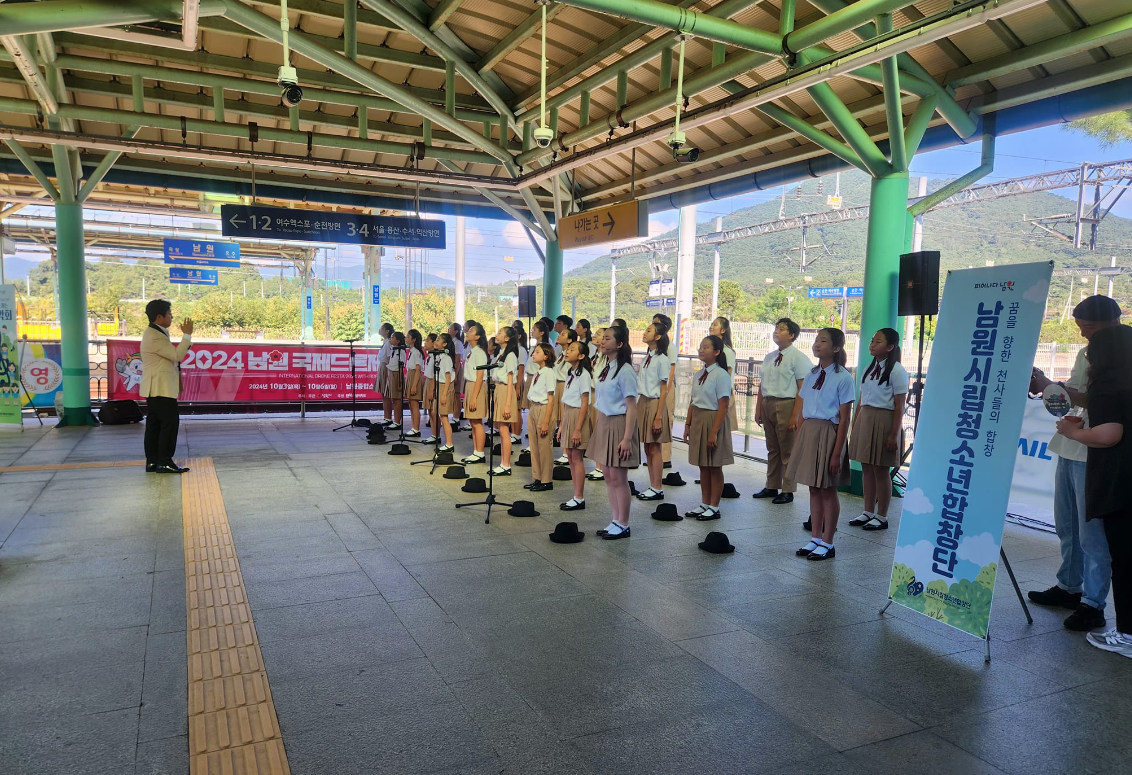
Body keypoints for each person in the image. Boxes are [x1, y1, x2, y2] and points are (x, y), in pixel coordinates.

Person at [1030, 295, 1119, 631]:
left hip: (1093, 451)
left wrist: (1052, 388)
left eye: (1089, 327)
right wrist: (1051, 388)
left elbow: (1099, 401)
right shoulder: (1086, 352)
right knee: (1066, 525)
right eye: (1080, 327)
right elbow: (1075, 399)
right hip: (1070, 444)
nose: (1083, 334)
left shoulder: (1120, 354)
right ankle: (1069, 586)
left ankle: (1093, 604)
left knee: (1092, 533)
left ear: (1113, 322)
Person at [1054, 323, 1132, 656]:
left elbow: (1109, 434)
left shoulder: (1108, 385)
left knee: (1121, 557)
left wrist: (1072, 433)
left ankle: (1125, 633)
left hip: (1117, 481)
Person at [787, 328, 855, 561]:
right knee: (813, 488)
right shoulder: (812, 374)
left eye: (823, 341)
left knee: (827, 489)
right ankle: (815, 537)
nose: (817, 344)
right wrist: (800, 439)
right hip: (809, 432)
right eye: (816, 340)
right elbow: (803, 409)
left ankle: (828, 542)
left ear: (836, 348)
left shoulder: (843, 378)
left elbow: (844, 419)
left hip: (828, 433)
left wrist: (837, 453)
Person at [847, 328, 909, 531]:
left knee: (881, 470)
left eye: (878, 342)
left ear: (890, 347)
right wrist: (856, 423)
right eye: (872, 341)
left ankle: (882, 516)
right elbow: (862, 399)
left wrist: (893, 434)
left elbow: (900, 406)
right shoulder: (868, 368)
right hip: (866, 418)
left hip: (885, 420)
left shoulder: (897, 371)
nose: (872, 344)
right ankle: (867, 511)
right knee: (866, 467)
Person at [589, 326, 641, 540]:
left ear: (619, 344)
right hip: (604, 421)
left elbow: (631, 406)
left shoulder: (625, 370)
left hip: (619, 423)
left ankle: (624, 523)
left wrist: (627, 438)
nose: (602, 341)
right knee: (609, 476)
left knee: (619, 477)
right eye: (602, 338)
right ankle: (615, 519)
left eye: (607, 338)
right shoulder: (607, 367)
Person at [752, 318, 811, 503]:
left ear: (791, 335)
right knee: (772, 448)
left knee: (788, 450)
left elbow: (803, 388)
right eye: (776, 328)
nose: (776, 331)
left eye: (782, 329)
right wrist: (758, 408)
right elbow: (762, 385)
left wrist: (795, 415)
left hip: (787, 404)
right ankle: (771, 485)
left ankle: (788, 489)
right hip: (768, 403)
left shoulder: (798, 358)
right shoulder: (769, 357)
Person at [683, 335, 735, 520]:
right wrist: (688, 424)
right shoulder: (699, 374)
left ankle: (714, 506)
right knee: (703, 465)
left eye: (706, 347)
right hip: (699, 419)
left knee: (714, 466)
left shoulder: (721, 375)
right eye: (700, 347)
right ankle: (704, 503)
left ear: (717, 352)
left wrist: (714, 432)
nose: (701, 350)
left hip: (713, 419)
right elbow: (693, 401)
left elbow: (723, 405)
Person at [140, 299, 193, 474]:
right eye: (169, 314)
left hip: (156, 387)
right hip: (160, 388)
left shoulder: (156, 332)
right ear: (159, 317)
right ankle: (164, 461)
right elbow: (176, 355)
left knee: (155, 425)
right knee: (169, 424)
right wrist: (187, 335)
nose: (171, 317)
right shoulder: (155, 336)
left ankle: (153, 461)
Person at [636, 321, 672, 501]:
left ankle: (657, 487)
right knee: (647, 446)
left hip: (654, 403)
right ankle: (652, 485)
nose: (644, 333)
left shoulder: (662, 359)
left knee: (655, 447)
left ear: (657, 337)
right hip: (643, 401)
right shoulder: (646, 358)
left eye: (648, 331)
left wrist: (658, 417)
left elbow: (663, 390)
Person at [559, 340, 594, 511]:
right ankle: (575, 495)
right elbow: (568, 401)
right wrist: (562, 425)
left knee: (577, 458)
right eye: (568, 349)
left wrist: (578, 429)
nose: (567, 351)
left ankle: (579, 497)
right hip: (569, 414)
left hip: (578, 415)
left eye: (572, 350)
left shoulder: (584, 375)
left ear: (581, 356)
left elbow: (584, 403)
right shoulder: (571, 372)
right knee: (571, 458)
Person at [522, 343, 558, 493]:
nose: (533, 354)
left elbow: (551, 399)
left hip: (544, 409)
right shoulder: (538, 372)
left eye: (537, 352)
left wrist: (545, 422)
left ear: (546, 356)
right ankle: (537, 478)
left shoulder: (549, 372)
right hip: (534, 407)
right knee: (534, 446)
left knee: (544, 447)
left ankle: (546, 480)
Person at [490, 326, 521, 477]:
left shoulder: (510, 355)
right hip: (499, 389)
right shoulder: (501, 353)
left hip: (505, 391)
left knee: (504, 430)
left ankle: (506, 464)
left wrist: (508, 404)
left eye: (500, 333)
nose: (497, 335)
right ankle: (503, 463)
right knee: (502, 430)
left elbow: (510, 381)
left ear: (507, 338)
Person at [461, 324, 490, 465]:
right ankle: (476, 451)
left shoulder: (479, 352)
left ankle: (480, 453)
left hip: (476, 386)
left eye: (471, 331)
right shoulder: (472, 351)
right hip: (470, 385)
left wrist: (474, 397)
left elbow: (480, 376)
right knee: (473, 422)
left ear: (477, 336)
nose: (467, 332)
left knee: (477, 422)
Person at [653, 313, 678, 469]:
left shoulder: (670, 346)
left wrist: (666, 391)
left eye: (655, 323)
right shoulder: (655, 347)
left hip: (666, 388)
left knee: (666, 420)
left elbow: (671, 369)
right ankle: (656, 454)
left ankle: (665, 457)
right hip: (656, 388)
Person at [586, 328, 607, 482]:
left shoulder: (607, 359)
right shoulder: (595, 356)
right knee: (594, 430)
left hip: (601, 395)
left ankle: (602, 467)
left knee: (601, 432)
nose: (594, 336)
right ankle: (598, 466)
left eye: (599, 335)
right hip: (592, 394)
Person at [431, 333, 457, 452]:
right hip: (439, 386)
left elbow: (448, 377)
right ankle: (448, 443)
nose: (435, 342)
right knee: (442, 417)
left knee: (444, 417)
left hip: (445, 387)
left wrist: (444, 394)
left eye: (438, 340)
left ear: (445, 344)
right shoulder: (439, 357)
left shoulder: (446, 358)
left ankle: (449, 444)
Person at [404, 329, 426, 437]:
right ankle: (413, 427)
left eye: (408, 337)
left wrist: (414, 385)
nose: (406, 338)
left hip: (415, 378)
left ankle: (416, 429)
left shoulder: (417, 352)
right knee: (411, 404)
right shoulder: (412, 351)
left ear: (414, 340)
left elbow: (418, 370)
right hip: (410, 375)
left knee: (414, 404)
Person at [384, 331, 407, 430]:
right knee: (393, 398)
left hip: (397, 374)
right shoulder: (393, 349)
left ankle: (397, 422)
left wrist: (400, 381)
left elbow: (401, 366)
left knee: (397, 399)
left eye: (393, 337)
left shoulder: (401, 351)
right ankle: (394, 420)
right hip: (391, 373)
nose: (391, 339)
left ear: (397, 341)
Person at [375, 323, 396, 428]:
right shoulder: (385, 342)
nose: (380, 330)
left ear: (387, 331)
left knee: (386, 394)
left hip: (386, 367)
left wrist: (387, 373)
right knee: (383, 394)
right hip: (382, 366)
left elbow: (388, 358)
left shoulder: (389, 343)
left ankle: (388, 418)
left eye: (382, 328)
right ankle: (386, 417)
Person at [422, 332, 438, 429]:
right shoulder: (429, 356)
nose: (425, 343)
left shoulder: (435, 357)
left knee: (433, 411)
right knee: (429, 410)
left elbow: (434, 375)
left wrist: (431, 390)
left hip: (432, 383)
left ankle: (436, 434)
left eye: (427, 341)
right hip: (428, 381)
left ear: (433, 344)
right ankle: (433, 433)